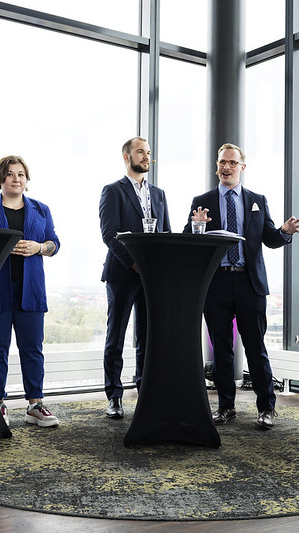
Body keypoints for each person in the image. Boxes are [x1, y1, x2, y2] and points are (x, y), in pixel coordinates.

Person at [186, 142, 299, 429]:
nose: (226, 167)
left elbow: (270, 238)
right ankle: (226, 407)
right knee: (221, 350)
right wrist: (195, 226)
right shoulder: (202, 200)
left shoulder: (257, 200)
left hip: (250, 284)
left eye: (232, 163)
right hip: (217, 284)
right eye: (222, 162)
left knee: (255, 347)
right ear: (217, 165)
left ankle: (267, 408)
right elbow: (189, 241)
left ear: (242, 167)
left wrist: (285, 233)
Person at [0, 155, 61, 428]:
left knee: (33, 348)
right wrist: (0, 247)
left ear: (26, 180)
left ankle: (35, 405)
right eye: (10, 174)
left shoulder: (41, 209)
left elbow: (54, 243)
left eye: (21, 174)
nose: (16, 179)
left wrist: (39, 248)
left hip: (30, 289)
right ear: (0, 179)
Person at [99, 137, 171, 418]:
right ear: (127, 157)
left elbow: (165, 233)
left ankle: (145, 390)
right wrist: (134, 263)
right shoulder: (112, 191)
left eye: (149, 153)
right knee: (115, 336)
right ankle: (114, 396)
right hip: (121, 273)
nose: (146, 157)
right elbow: (109, 234)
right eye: (141, 152)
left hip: (151, 277)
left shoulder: (160, 194)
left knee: (147, 336)